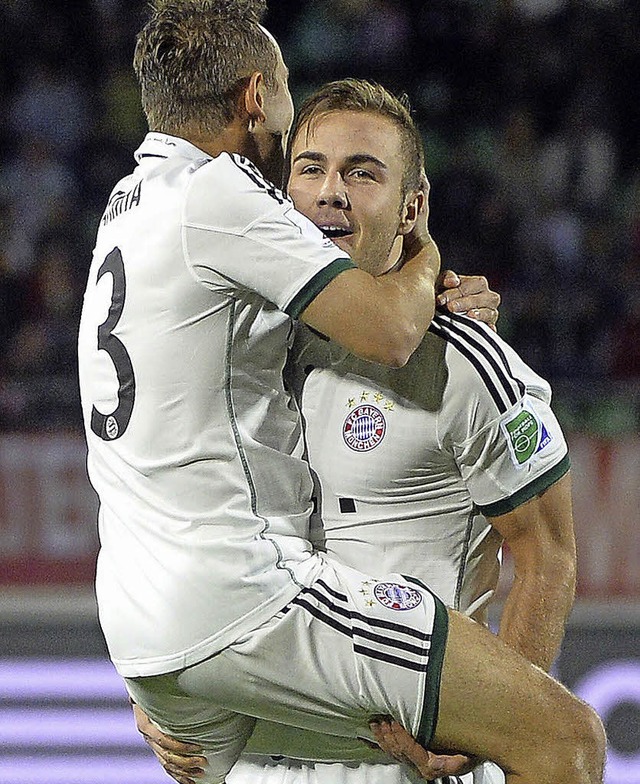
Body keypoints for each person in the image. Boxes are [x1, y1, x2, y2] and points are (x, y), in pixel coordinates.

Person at [77, 3, 605, 783]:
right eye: (310, 168)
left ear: (412, 202)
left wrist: (487, 724)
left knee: (562, 739)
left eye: (364, 173)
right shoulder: (263, 332)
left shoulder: (461, 359)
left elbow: (547, 555)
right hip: (267, 671)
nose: (331, 193)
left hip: (399, 739)